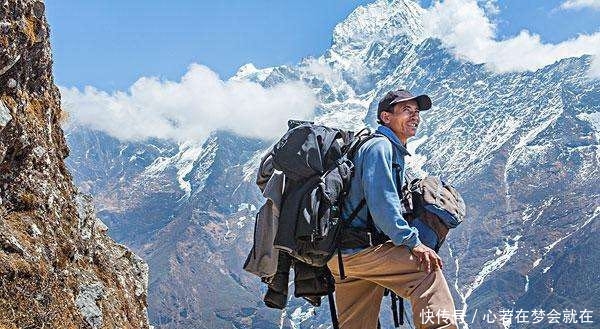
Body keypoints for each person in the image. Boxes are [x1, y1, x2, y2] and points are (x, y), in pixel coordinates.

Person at [327, 89, 457, 329]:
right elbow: (383, 206)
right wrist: (413, 243)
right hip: (362, 251)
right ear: (386, 117)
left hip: (342, 256)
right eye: (406, 110)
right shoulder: (380, 148)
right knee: (427, 272)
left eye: (416, 112)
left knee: (355, 324)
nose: (415, 117)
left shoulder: (374, 146)